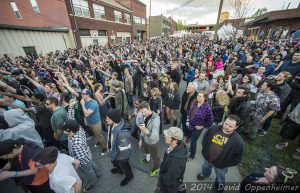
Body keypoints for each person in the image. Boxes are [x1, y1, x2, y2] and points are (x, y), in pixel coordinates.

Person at [197, 115, 244, 193]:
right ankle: (205, 174)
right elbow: (205, 137)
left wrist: (227, 163)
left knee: (220, 176)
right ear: (224, 121)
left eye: (230, 126)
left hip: (221, 165)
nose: (226, 127)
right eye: (225, 124)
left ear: (236, 127)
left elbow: (238, 157)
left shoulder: (238, 142)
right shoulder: (213, 128)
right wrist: (205, 148)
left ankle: (219, 186)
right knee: (205, 167)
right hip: (208, 157)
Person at [62, 119, 101, 191]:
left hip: (83, 161)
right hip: (87, 154)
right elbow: (71, 119)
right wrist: (70, 107)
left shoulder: (76, 143)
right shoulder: (78, 128)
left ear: (71, 131)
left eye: (65, 131)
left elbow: (80, 158)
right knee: (92, 163)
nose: (63, 131)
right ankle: (98, 173)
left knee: (88, 170)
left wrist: (76, 166)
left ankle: (92, 181)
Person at [106, 110, 133, 186]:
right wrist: (108, 145)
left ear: (114, 120)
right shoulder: (111, 125)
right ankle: (120, 170)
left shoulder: (122, 134)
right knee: (117, 163)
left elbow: (125, 149)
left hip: (121, 155)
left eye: (108, 119)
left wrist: (121, 158)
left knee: (124, 165)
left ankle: (129, 176)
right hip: (114, 151)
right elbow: (110, 137)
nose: (106, 120)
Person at [157, 127, 188, 193]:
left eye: (168, 136)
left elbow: (169, 180)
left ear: (175, 141)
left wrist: (161, 178)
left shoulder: (175, 162)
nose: (165, 136)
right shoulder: (176, 146)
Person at [187, 91, 214, 160]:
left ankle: (191, 156)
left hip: (197, 128)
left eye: (200, 96)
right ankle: (191, 148)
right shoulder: (194, 103)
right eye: (197, 96)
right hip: (191, 125)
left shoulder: (207, 108)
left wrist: (202, 126)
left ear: (204, 98)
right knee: (190, 139)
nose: (198, 97)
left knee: (193, 141)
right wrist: (188, 120)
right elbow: (189, 112)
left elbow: (211, 120)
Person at [80, 89, 107, 154]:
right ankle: (99, 142)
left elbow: (86, 113)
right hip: (90, 122)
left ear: (88, 95)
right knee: (96, 134)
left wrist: (82, 104)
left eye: (83, 94)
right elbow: (85, 113)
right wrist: (85, 119)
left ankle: (105, 147)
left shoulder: (93, 103)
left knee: (99, 135)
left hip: (95, 123)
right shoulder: (85, 101)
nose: (81, 95)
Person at [138, 101, 160, 177]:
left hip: (152, 142)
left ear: (149, 108)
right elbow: (142, 127)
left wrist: (144, 129)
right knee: (145, 150)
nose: (143, 114)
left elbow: (154, 136)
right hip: (145, 138)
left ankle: (157, 168)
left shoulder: (156, 119)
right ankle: (147, 159)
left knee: (155, 156)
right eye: (141, 112)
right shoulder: (144, 115)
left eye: (144, 111)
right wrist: (141, 139)